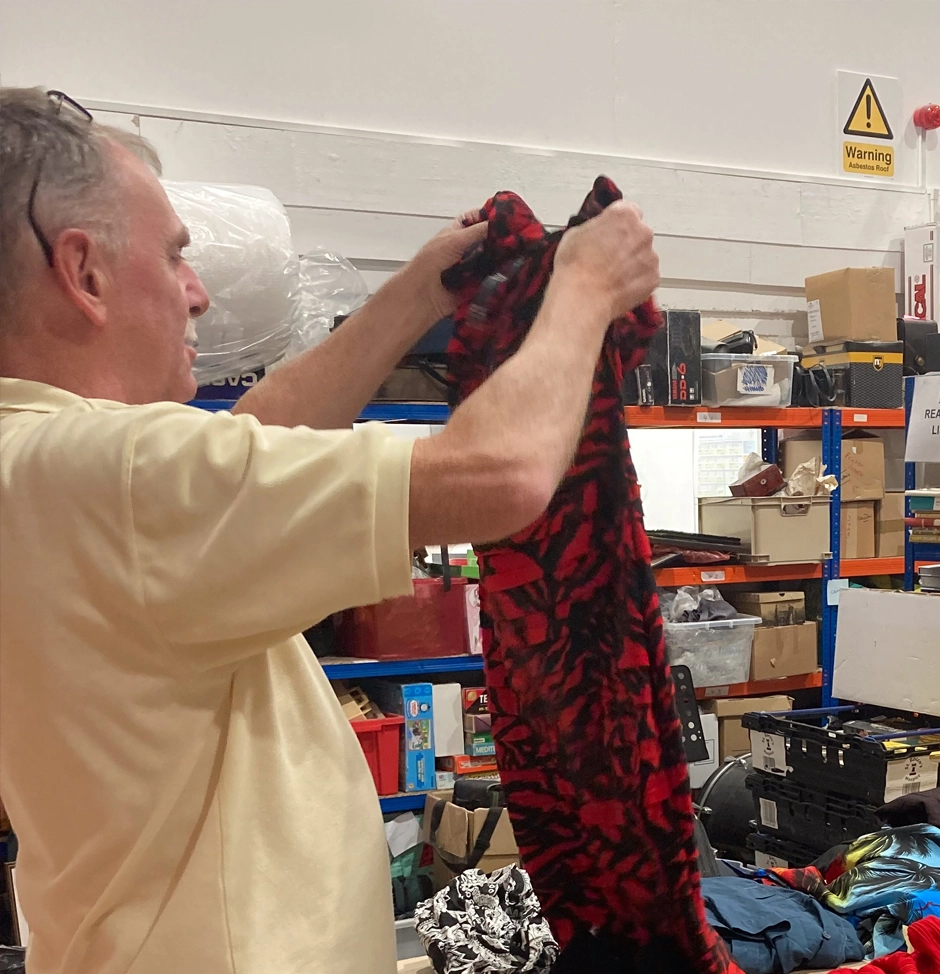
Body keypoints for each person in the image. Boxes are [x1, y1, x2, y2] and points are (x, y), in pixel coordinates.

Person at [0, 87, 660, 974]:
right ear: (83, 274)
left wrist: (414, 293)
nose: (196, 295)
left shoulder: (37, 463)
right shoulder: (114, 476)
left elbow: (251, 443)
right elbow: (500, 475)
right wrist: (582, 289)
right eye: (175, 256)